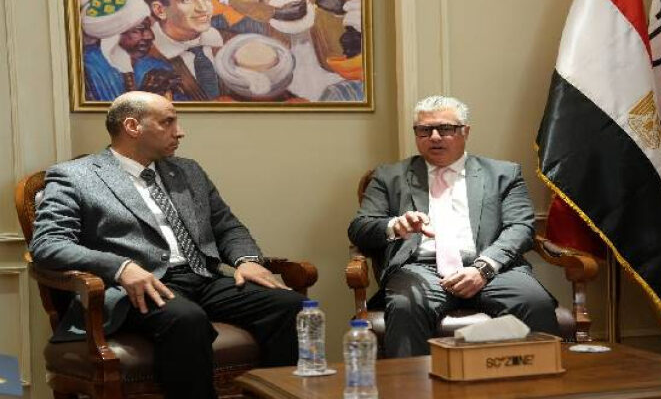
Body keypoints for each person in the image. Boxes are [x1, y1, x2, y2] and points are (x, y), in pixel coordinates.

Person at [30, 91, 304, 398]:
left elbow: (226, 226)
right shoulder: (75, 176)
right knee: (186, 319)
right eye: (167, 122)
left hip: (203, 277)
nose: (180, 131)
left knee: (289, 305)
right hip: (136, 288)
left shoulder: (188, 171)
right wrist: (120, 267)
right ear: (132, 126)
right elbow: (48, 244)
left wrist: (246, 260)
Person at [348, 95, 560, 358]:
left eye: (445, 128)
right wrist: (394, 226)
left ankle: (536, 380)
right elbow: (360, 228)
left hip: (494, 267)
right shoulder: (389, 176)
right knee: (406, 306)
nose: (434, 137)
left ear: (465, 131)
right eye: (424, 130)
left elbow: (521, 227)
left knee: (533, 302)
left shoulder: (503, 174)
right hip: (420, 269)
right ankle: (411, 382)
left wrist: (483, 268)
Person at [146, 0, 226, 100]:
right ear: (160, 10)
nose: (203, 8)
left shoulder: (231, 41)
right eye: (187, 0)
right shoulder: (145, 59)